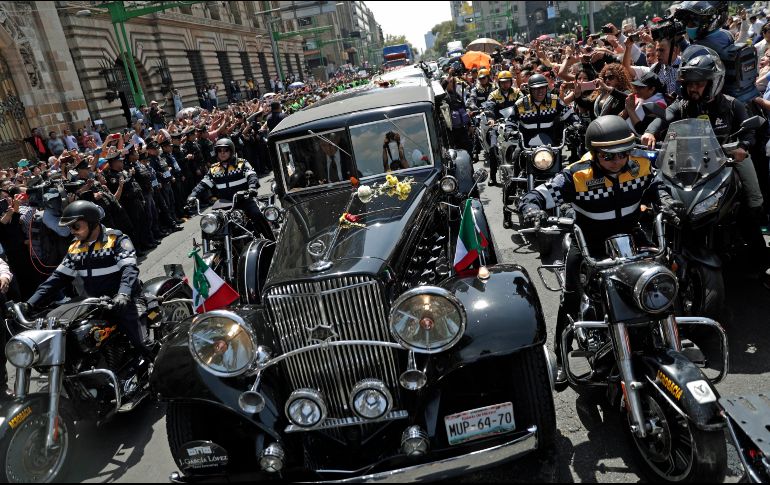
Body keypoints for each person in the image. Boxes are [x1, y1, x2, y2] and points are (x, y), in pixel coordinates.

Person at [519, 115, 678, 388]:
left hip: (632, 236)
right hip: (588, 242)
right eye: (608, 156)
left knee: (663, 280)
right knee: (570, 295)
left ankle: (672, 337)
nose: (617, 162)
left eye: (622, 154)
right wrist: (531, 209)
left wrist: (665, 200)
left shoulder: (641, 165)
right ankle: (561, 353)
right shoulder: (576, 175)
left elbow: (657, 186)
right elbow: (537, 195)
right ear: (594, 154)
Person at [643, 45, 770, 286]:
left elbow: (751, 132)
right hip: (686, 165)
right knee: (655, 200)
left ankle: (761, 262)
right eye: (690, 83)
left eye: (699, 83)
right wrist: (650, 133)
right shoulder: (680, 105)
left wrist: (743, 145)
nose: (693, 88)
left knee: (752, 203)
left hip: (728, 161)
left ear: (714, 82)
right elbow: (662, 119)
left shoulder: (732, 105)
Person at [21, 200, 154, 361]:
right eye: (69, 227)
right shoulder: (75, 248)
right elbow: (57, 278)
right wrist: (29, 303)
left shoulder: (116, 239)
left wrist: (123, 294)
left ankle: (154, 370)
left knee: (142, 344)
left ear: (92, 223)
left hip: (125, 301)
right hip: (94, 304)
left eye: (76, 226)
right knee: (73, 338)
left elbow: (129, 269)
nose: (72, 231)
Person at [187, 138, 272, 240]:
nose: (222, 153)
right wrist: (192, 195)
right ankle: (211, 250)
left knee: (256, 215)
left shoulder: (241, 163)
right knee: (209, 222)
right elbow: (203, 184)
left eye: (225, 150)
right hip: (224, 204)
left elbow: (251, 176)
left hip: (244, 200)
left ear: (231, 151)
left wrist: (252, 188)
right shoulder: (214, 169)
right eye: (219, 151)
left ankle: (272, 241)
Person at [620, 71, 667, 135]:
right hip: (623, 131)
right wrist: (627, 109)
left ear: (652, 89)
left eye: (641, 87)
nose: (636, 90)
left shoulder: (659, 105)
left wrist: (630, 110)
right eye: (636, 86)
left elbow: (642, 130)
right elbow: (620, 118)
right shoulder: (638, 97)